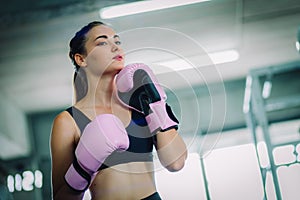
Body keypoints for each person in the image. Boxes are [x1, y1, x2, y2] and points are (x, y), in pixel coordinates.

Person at [50, 21, 187, 200]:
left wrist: (155, 104)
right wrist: (83, 167)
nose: (115, 47)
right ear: (81, 59)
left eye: (117, 41)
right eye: (102, 42)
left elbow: (176, 162)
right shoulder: (68, 121)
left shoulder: (140, 105)